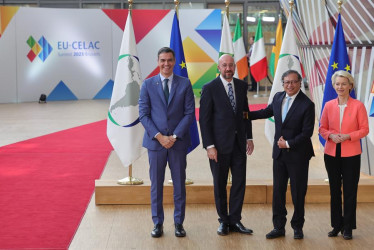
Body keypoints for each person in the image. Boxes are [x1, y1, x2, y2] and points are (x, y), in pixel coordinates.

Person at [250, 70, 315, 239]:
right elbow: (267, 111)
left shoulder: (307, 104)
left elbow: (307, 133)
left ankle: (297, 227)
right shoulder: (278, 97)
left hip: (298, 155)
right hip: (279, 155)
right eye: (286, 82)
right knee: (278, 192)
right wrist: (246, 115)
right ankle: (278, 227)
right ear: (282, 83)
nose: (290, 85)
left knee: (298, 193)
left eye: (293, 82)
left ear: (300, 82)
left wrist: (287, 143)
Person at [138, 47, 195, 238]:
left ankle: (179, 223)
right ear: (158, 61)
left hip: (177, 144)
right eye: (163, 60)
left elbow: (189, 114)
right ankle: (157, 223)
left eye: (170, 60)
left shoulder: (185, 83)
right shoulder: (147, 84)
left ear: (174, 61)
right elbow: (143, 115)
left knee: (179, 184)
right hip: (156, 144)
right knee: (156, 186)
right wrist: (160, 137)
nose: (166, 64)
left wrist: (175, 136)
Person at [199, 54, 255, 236]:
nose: (228, 68)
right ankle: (223, 220)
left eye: (231, 65)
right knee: (220, 184)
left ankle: (235, 219)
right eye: (224, 65)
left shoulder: (241, 86)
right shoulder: (209, 88)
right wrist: (209, 146)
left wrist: (249, 137)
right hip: (218, 147)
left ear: (234, 67)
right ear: (219, 67)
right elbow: (204, 120)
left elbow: (245, 113)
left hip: (239, 145)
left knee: (239, 183)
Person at [319, 70, 369, 240]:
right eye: (337, 84)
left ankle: (348, 227)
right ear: (333, 86)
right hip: (331, 153)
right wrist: (330, 136)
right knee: (334, 191)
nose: (340, 87)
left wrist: (348, 136)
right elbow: (321, 128)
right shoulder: (328, 105)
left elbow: (364, 129)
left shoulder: (358, 106)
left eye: (344, 84)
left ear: (350, 86)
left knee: (349, 191)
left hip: (351, 153)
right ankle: (336, 225)